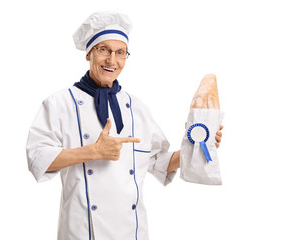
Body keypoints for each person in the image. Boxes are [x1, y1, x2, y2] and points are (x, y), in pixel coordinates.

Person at [26, 11, 223, 240]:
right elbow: (37, 158)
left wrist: (197, 144)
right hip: (82, 231)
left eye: (120, 53)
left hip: (134, 232)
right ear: (89, 53)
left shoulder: (136, 106)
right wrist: (93, 151)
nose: (112, 60)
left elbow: (157, 161)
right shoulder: (60, 103)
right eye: (104, 50)